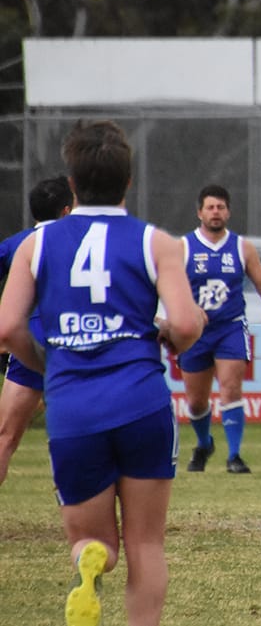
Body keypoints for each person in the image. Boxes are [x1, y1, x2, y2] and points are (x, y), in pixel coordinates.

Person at [0, 119, 206, 626]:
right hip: (140, 402)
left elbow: (7, 329)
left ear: (71, 183)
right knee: (146, 543)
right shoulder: (156, 242)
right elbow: (183, 324)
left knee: (95, 543)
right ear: (128, 182)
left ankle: (88, 567)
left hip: (73, 408)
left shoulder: (37, 244)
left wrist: (48, 366)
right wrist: (175, 334)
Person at [178, 184, 261, 474]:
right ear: (200, 212)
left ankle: (234, 455)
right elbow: (168, 287)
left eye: (220, 207)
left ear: (228, 212)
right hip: (195, 332)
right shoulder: (183, 247)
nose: (216, 212)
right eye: (210, 207)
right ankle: (204, 442)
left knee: (231, 389)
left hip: (230, 327)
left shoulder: (242, 247)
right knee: (196, 402)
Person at [0, 174, 74, 486]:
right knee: (92, 437)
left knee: (5, 437)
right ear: (67, 211)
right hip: (78, 342)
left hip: (31, 343)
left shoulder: (17, 244)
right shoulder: (82, 241)